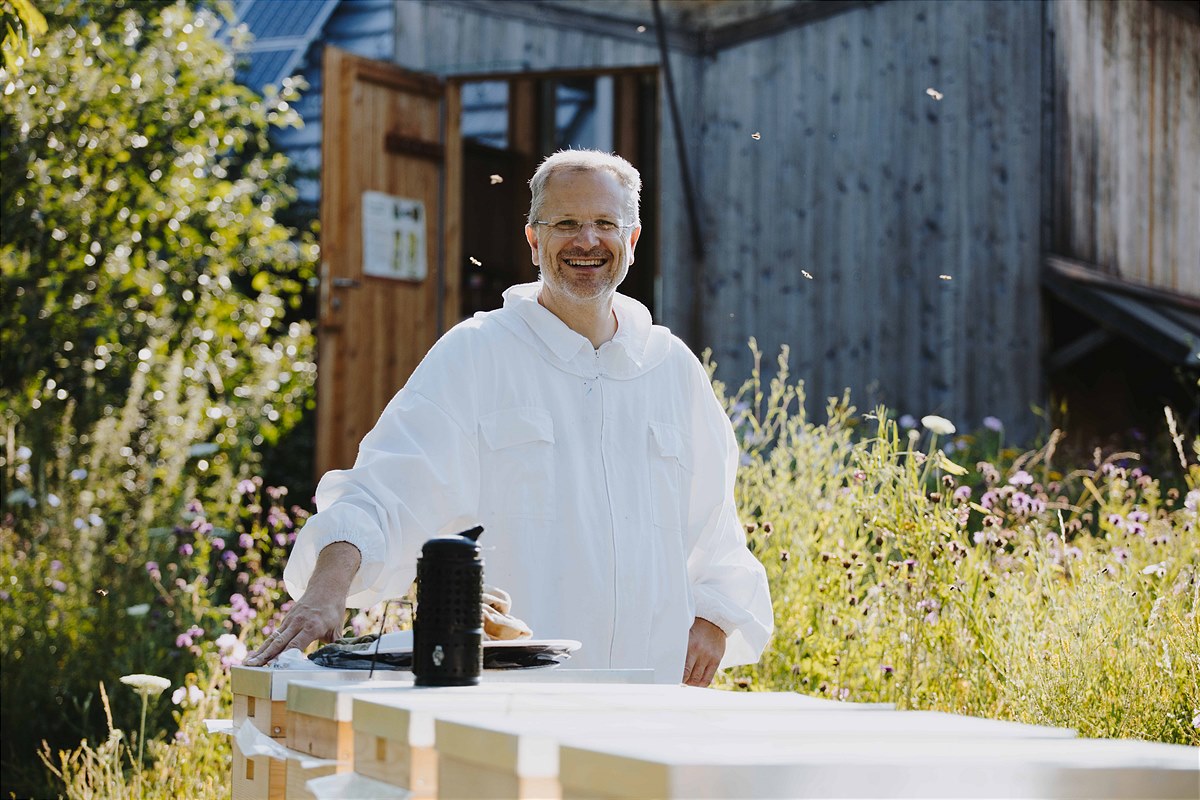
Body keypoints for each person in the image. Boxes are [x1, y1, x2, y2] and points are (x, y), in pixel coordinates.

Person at [246, 150, 772, 686]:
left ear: (632, 240)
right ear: (533, 240)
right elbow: (385, 492)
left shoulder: (672, 369)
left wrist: (714, 617)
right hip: (512, 700)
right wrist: (325, 592)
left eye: (605, 224)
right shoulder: (477, 354)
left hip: (650, 696)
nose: (586, 241)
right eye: (566, 223)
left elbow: (715, 523)